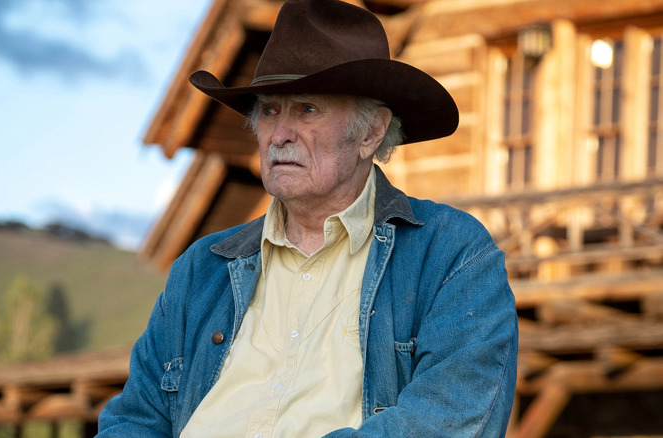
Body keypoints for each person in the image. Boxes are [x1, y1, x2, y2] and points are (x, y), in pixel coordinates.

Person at [97, 0, 518, 436]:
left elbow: (449, 419)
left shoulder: (451, 254)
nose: (279, 134)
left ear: (371, 132)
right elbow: (133, 419)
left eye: (307, 109)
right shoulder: (201, 269)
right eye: (269, 110)